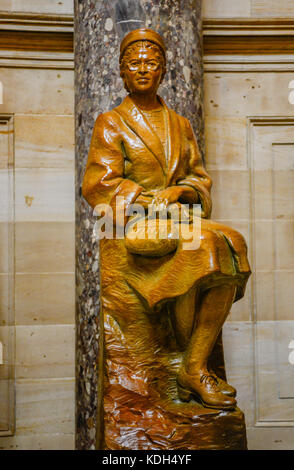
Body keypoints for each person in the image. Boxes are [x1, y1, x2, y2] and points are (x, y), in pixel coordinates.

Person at [82, 28, 251, 410]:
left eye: (151, 63)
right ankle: (192, 367)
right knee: (206, 246)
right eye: (134, 63)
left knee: (234, 242)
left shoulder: (181, 124)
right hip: (133, 225)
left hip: (178, 218)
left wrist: (182, 192)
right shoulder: (111, 122)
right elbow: (99, 185)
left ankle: (193, 366)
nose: (143, 69)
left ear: (163, 71)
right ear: (123, 72)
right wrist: (148, 201)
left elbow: (198, 178)